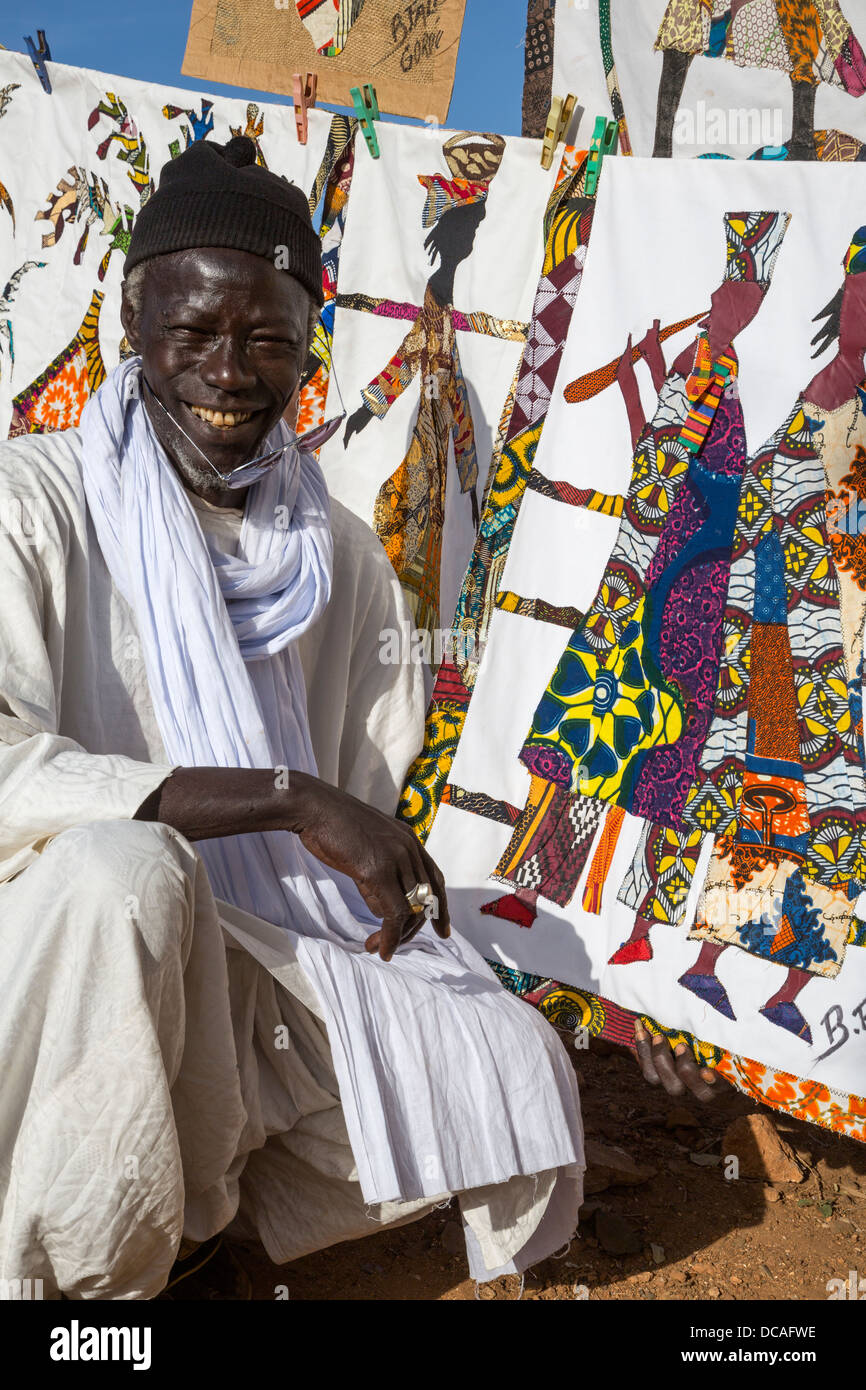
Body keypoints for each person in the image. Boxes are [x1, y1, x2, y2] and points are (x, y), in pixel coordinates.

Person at [0, 136, 586, 1300]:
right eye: (195, 334)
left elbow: (363, 799)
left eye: (267, 340)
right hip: (48, 945)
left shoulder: (334, 556)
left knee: (503, 1065)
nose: (229, 372)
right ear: (132, 322)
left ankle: (200, 1224)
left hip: (248, 951)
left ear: (307, 349)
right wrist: (284, 795)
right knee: (128, 873)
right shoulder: (33, 501)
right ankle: (80, 1289)